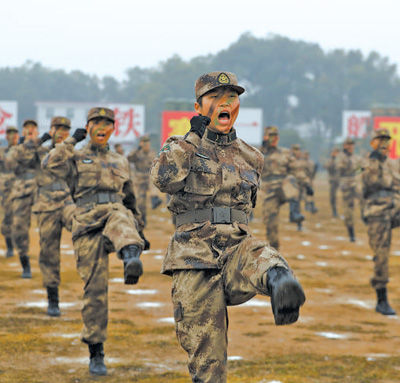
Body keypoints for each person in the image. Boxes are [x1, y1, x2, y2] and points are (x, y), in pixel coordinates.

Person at [151, 71, 305, 383]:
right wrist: (193, 137)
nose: (225, 103)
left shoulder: (252, 156)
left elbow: (247, 211)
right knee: (209, 364)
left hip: (236, 247)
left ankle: (279, 284)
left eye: (231, 97)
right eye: (216, 98)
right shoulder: (180, 147)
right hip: (194, 258)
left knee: (262, 254)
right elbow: (164, 180)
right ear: (198, 107)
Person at [43, 107, 148, 375]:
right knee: (95, 291)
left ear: (113, 129)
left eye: (107, 124)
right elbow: (49, 164)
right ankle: (96, 352)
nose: (102, 128)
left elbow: (130, 198)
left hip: (115, 220)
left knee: (120, 213)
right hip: (87, 224)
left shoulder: (119, 160)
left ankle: (130, 254)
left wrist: (140, 230)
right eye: (96, 123)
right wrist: (70, 141)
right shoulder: (75, 156)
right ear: (88, 127)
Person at [32, 117, 75, 317]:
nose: (61, 132)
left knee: (87, 232)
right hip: (46, 205)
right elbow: (15, 158)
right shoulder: (39, 151)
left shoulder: (72, 152)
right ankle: (53, 298)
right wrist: (39, 140)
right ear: (50, 130)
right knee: (49, 253)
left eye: (66, 129)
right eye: (58, 128)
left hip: (67, 203)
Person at [5, 119, 51, 278]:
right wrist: (27, 145)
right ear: (22, 133)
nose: (30, 132)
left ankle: (49, 262)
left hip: (42, 191)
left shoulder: (43, 149)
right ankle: (25, 263)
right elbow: (9, 163)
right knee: (18, 228)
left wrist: (38, 144)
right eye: (27, 130)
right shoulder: (17, 149)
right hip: (21, 192)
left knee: (49, 227)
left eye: (33, 130)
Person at [361, 128, 399, 316]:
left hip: (395, 209)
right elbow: (363, 182)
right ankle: (381, 299)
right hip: (377, 212)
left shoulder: (393, 164)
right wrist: (375, 161)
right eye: (380, 140)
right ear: (373, 143)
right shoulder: (366, 162)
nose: (384, 144)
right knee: (381, 254)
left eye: (387, 140)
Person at [260, 126, 305, 249]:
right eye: (271, 135)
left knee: (291, 179)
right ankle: (275, 251)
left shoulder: (285, 153)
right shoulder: (259, 153)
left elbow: (296, 169)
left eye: (276, 135)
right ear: (265, 137)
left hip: (284, 188)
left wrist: (306, 182)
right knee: (270, 224)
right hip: (269, 192)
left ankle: (294, 212)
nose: (274, 138)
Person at [127, 135, 162, 226]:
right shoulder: (137, 153)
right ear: (141, 144)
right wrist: (137, 150)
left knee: (153, 181)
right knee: (140, 203)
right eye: (144, 144)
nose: (147, 146)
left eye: (148, 144)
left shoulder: (152, 153)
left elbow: (157, 164)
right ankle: (142, 219)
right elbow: (129, 159)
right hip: (139, 178)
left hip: (149, 176)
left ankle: (154, 199)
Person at [335, 137, 363, 242]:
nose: (351, 146)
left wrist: (359, 170)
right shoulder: (341, 157)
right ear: (345, 146)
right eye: (349, 144)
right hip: (346, 184)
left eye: (352, 144)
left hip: (356, 183)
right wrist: (354, 167)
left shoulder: (356, 157)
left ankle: (365, 217)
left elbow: (360, 169)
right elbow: (340, 168)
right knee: (348, 209)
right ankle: (351, 233)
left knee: (365, 200)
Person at [0, 126, 19, 258]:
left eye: (14, 133)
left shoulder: (22, 151)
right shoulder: (2, 152)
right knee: (8, 220)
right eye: (9, 134)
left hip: (21, 190)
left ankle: (21, 247)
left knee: (20, 221)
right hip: (6, 192)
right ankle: (10, 247)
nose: (12, 136)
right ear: (6, 136)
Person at [290, 144, 314, 231]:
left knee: (297, 203)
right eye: (295, 150)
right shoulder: (288, 160)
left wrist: (307, 184)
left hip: (298, 186)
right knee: (294, 201)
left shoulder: (301, 162)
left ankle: (298, 223)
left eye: (298, 150)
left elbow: (302, 174)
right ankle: (293, 216)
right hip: (287, 185)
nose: (297, 152)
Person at [324, 147, 340, 217]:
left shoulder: (342, 160)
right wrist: (333, 159)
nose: (335, 154)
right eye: (334, 152)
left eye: (336, 152)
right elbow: (327, 166)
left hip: (342, 180)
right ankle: (334, 211)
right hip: (333, 181)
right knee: (332, 197)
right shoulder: (330, 161)